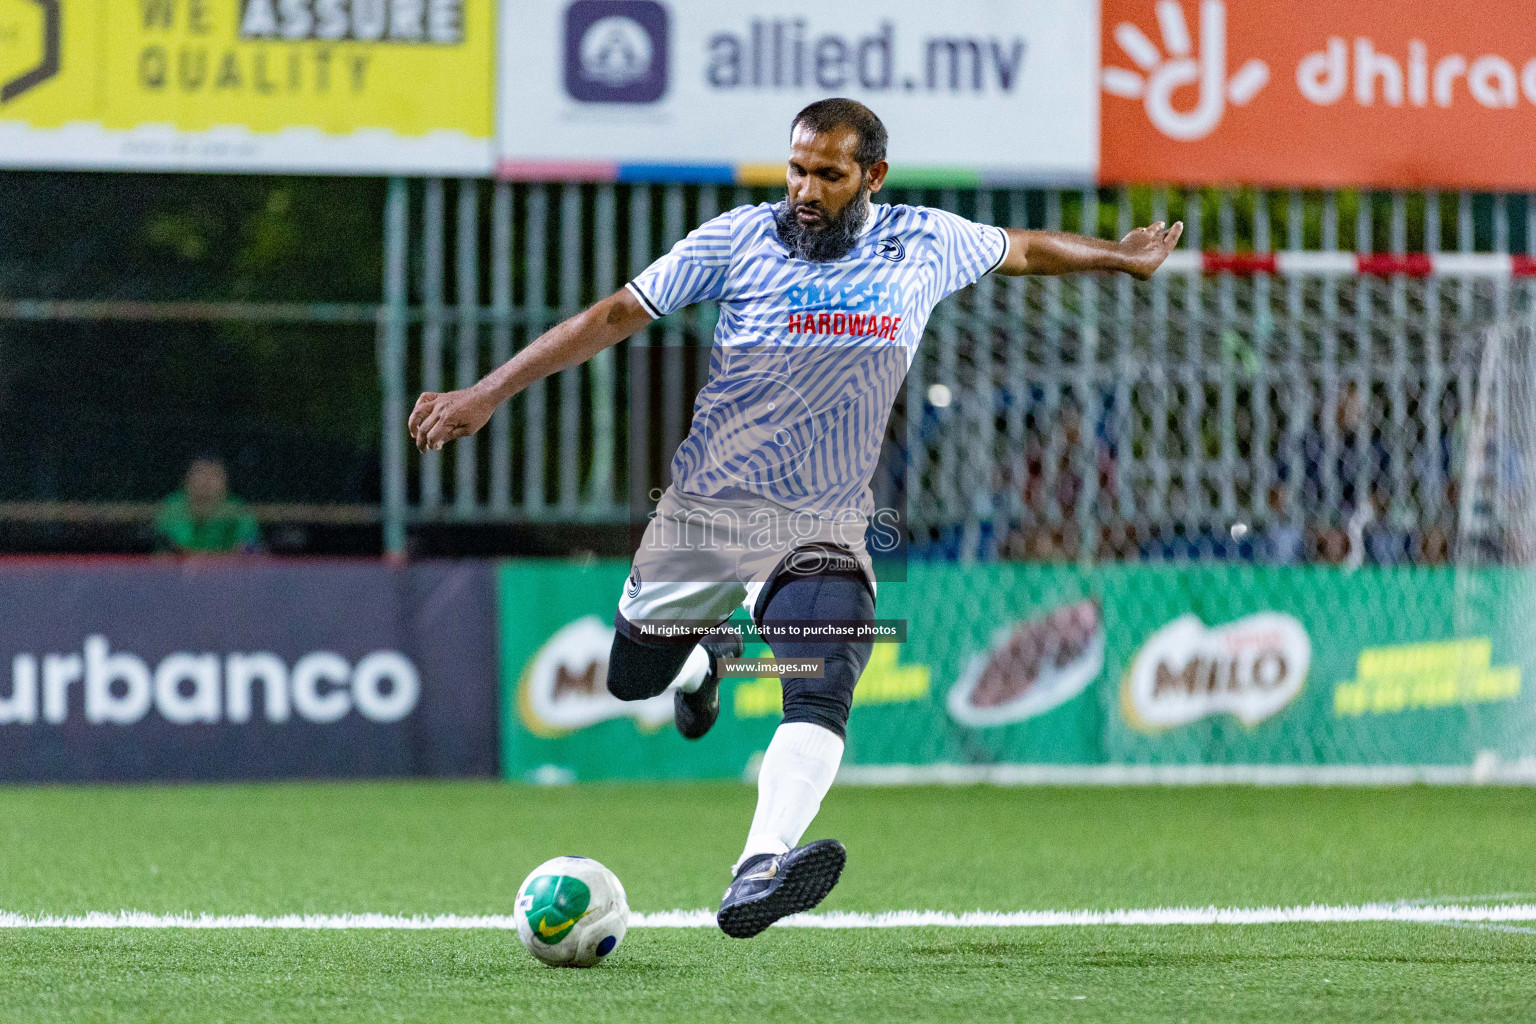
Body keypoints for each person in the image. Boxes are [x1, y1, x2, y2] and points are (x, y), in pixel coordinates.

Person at [409, 98, 1180, 937]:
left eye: (829, 174)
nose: (806, 190)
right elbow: (615, 316)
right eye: (797, 169)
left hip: (822, 524)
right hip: (705, 515)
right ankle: (705, 665)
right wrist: (486, 393)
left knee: (823, 681)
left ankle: (758, 867)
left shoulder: (924, 241)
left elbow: (1025, 250)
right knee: (633, 678)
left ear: (873, 177)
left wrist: (1119, 257)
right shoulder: (734, 242)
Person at [155, 457, 261, 555]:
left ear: (226, 482)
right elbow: (162, 548)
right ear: (185, 480)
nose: (206, 481)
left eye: (214, 475)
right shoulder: (172, 507)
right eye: (199, 473)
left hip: (226, 571)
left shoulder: (238, 510)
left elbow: (249, 548)